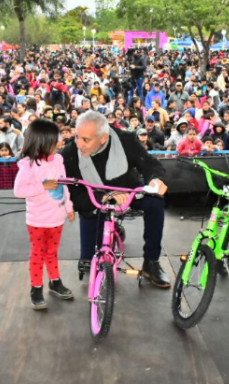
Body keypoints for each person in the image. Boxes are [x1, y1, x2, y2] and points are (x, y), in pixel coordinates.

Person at [61, 110, 171, 287]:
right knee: (90, 262)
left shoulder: (126, 140)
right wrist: (104, 196)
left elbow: (150, 164)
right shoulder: (69, 154)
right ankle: (107, 238)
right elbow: (72, 196)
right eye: (77, 137)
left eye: (86, 140)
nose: (79, 144)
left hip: (127, 189)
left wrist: (157, 180)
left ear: (103, 138)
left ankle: (151, 261)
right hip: (95, 197)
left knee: (155, 202)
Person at [13, 119, 76, 310]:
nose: (60, 143)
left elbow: (63, 185)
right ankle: (36, 288)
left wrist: (69, 207)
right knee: (37, 254)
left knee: (52, 252)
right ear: (41, 142)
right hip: (38, 220)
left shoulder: (58, 160)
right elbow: (19, 190)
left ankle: (55, 281)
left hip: (57, 218)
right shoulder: (29, 165)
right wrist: (43, 186)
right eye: (54, 140)